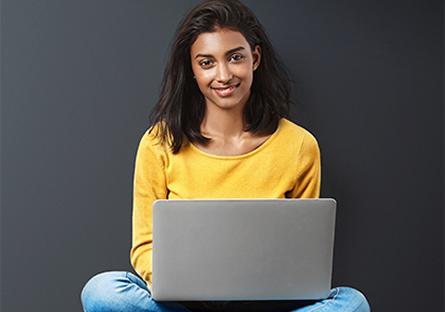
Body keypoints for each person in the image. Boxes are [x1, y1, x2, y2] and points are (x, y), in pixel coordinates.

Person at [80, 0, 371, 311]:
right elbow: (144, 247)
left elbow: (303, 256)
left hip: (265, 304)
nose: (223, 75)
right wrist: (194, 286)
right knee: (103, 291)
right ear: (191, 68)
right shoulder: (159, 142)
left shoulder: (299, 145)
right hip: (187, 304)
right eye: (206, 62)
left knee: (352, 304)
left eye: (235, 58)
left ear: (254, 58)